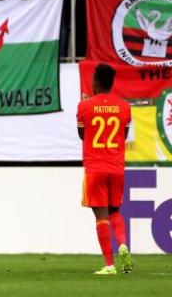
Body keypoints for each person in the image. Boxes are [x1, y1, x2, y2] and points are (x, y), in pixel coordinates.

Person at [77, 63, 133, 275]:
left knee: (100, 216)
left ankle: (110, 265)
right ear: (112, 83)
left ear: (96, 83)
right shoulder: (124, 107)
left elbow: (83, 136)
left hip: (95, 167)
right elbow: (123, 135)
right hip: (116, 167)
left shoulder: (84, 106)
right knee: (115, 211)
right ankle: (123, 246)